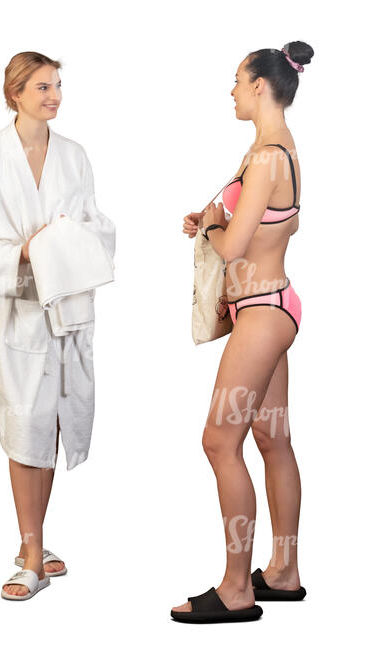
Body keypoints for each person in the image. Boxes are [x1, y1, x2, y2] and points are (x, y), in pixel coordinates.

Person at [0, 51, 115, 601]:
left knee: (52, 424)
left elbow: (96, 226)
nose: (55, 96)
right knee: (25, 429)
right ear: (14, 92)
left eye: (58, 86)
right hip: (16, 309)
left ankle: (35, 545)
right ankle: (31, 555)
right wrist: (25, 252)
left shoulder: (74, 155)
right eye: (43, 86)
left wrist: (66, 243)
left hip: (66, 309)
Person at [171, 41, 314, 623]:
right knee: (272, 441)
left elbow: (231, 247)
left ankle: (236, 588)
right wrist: (215, 222)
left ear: (260, 85)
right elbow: (278, 226)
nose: (230, 90)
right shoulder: (277, 151)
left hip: (261, 314)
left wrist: (210, 229)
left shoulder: (266, 158)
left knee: (218, 442)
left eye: (236, 80)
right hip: (274, 307)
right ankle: (282, 573)